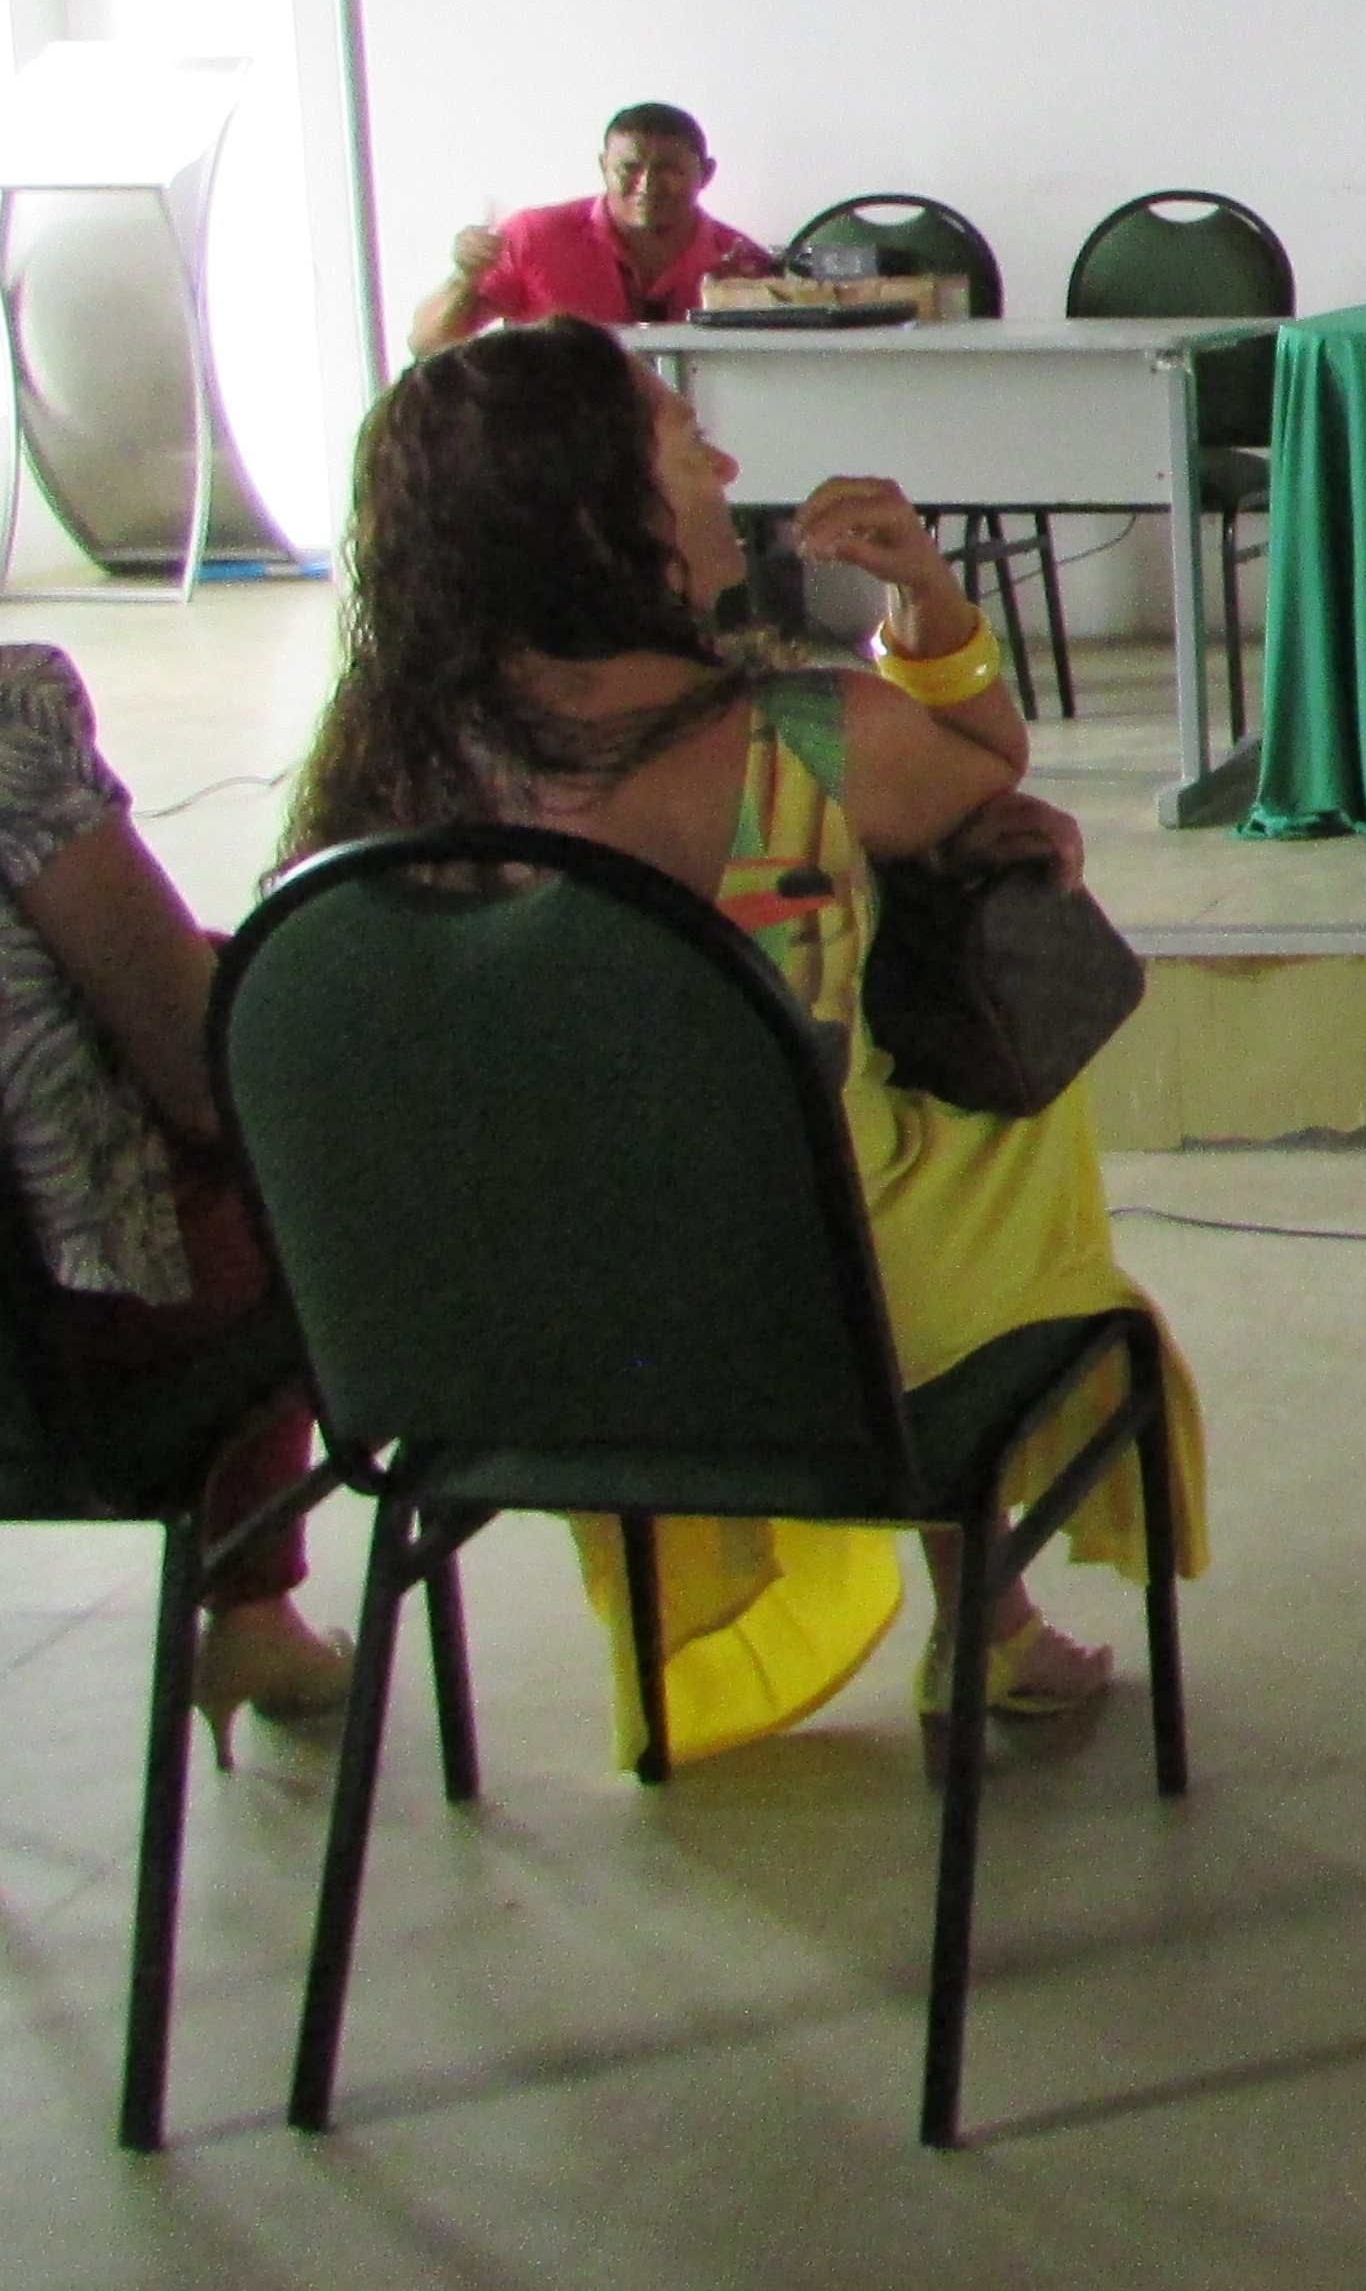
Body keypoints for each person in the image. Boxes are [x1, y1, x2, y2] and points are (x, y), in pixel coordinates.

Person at [288, 317, 1204, 1756]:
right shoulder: (805, 742)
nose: (723, 468)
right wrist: (924, 598)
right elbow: (984, 767)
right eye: (682, 444)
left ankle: (915, 1620)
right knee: (1002, 1105)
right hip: (804, 1327)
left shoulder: (375, 777)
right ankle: (986, 1613)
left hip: (479, 1333)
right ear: (601, 517)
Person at [0, 644, 351, 1758]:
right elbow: (206, 1074)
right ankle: (251, 1601)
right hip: (52, 1364)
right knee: (296, 1152)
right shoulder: (7, 722)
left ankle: (256, 1614)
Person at [403, 100, 778, 357]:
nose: (647, 185)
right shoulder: (534, 237)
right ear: (603, 167)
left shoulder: (743, 263)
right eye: (629, 167)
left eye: (669, 170)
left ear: (706, 174)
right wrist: (464, 277)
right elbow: (427, 344)